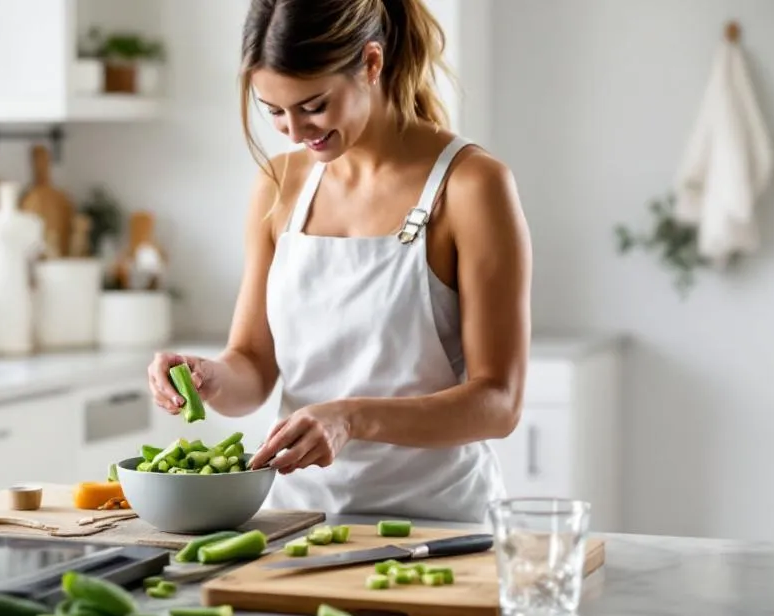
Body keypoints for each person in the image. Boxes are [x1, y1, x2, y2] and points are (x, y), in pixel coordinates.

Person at [147, 0, 532, 523]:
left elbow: (499, 403)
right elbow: (253, 366)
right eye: (274, 111)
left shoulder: (472, 185)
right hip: (297, 522)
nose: (294, 131)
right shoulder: (280, 184)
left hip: (439, 524)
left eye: (313, 105)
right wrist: (209, 377)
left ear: (371, 63)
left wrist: (351, 418)